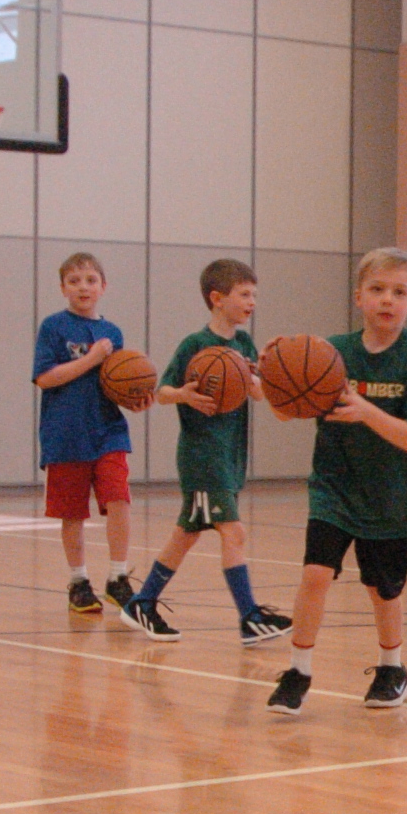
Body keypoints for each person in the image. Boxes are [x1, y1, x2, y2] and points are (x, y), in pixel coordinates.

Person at [266, 249, 407, 716]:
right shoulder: (331, 354)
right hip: (334, 487)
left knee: (383, 591)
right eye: (377, 289)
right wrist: (273, 375)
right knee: (315, 575)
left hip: (390, 497)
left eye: (399, 292)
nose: (387, 299)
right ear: (358, 297)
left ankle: (392, 668)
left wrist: (364, 410)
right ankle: (298, 671)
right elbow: (286, 411)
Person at [117, 259, 294, 644]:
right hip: (203, 455)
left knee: (187, 533)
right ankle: (249, 617)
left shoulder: (243, 344)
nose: (252, 302)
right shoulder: (195, 345)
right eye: (244, 294)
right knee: (234, 531)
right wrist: (185, 395)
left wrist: (260, 373)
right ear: (217, 298)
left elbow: (258, 393)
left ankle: (141, 603)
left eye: (254, 295)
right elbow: (163, 392)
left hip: (230, 454)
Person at [33, 252, 138, 614]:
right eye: (74, 281)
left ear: (103, 287)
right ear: (63, 288)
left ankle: (118, 577)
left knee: (119, 498)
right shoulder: (53, 327)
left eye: (91, 280)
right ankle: (78, 582)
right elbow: (45, 378)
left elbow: (118, 383)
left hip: (108, 430)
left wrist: (136, 397)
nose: (83, 287)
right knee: (73, 513)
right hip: (65, 434)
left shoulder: (113, 333)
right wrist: (91, 359)